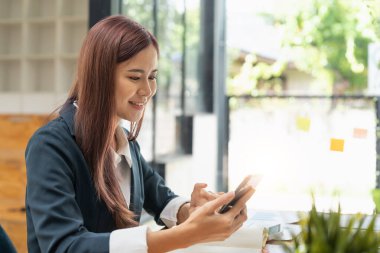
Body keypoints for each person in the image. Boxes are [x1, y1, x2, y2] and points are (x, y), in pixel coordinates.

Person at [25, 15, 254, 253]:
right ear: (98, 76)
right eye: (134, 77)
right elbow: (64, 245)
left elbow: (162, 199)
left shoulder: (125, 143)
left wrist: (191, 211)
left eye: (152, 77)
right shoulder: (51, 146)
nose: (147, 90)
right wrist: (185, 235)